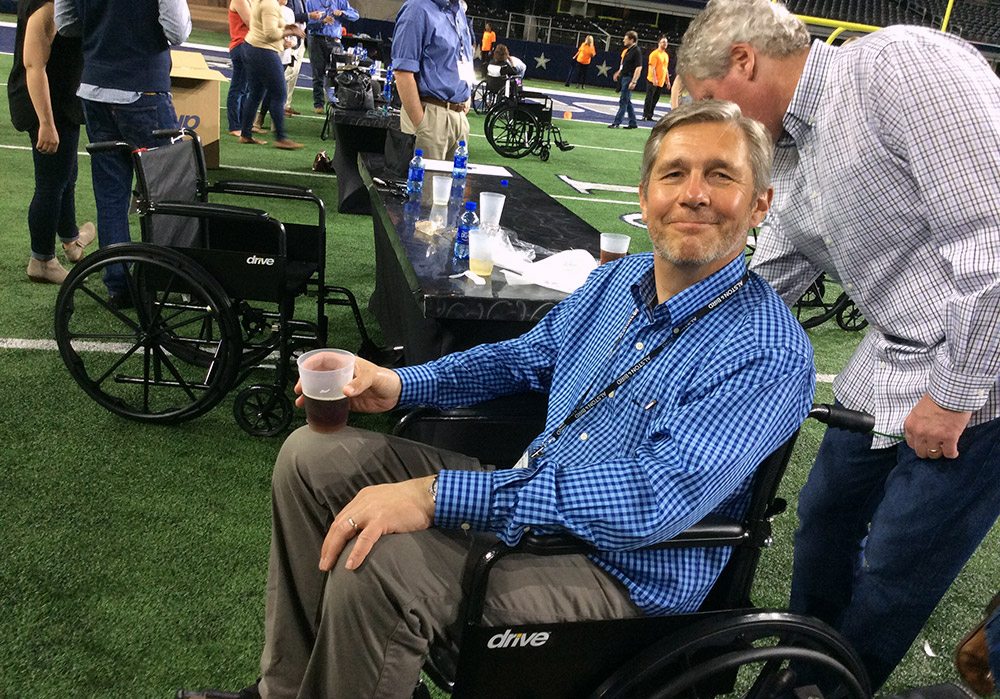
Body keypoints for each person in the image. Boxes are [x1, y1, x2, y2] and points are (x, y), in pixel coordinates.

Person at [180, 100, 816, 699]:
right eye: (674, 173)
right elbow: (520, 358)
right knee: (310, 458)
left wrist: (436, 497)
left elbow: (649, 500)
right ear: (646, 195)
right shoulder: (620, 279)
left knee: (381, 563)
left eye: (720, 176)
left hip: (621, 575)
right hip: (531, 497)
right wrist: (398, 384)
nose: (693, 193)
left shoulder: (767, 349)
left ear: (760, 203)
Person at [677, 0, 1000, 690]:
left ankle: (829, 687)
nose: (712, 118)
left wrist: (954, 395)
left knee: (897, 564)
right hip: (892, 356)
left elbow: (993, 241)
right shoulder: (794, 142)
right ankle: (804, 670)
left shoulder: (901, 66)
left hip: (982, 375)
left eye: (708, 97)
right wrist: (672, 329)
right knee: (822, 522)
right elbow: (776, 267)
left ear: (743, 60)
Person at [54, 0, 191, 306]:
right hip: (144, 87)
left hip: (94, 88)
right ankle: (175, 278)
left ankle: (118, 283)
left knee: (111, 196)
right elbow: (178, 31)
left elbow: (66, 24)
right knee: (169, 192)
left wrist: (103, 30)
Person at [8, 0, 94, 285]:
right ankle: (42, 260)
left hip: (61, 97)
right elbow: (34, 65)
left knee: (66, 175)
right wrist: (46, 123)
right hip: (47, 103)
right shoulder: (47, 4)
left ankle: (70, 240)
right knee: (51, 184)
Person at [391, 0, 474, 161]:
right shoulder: (417, 9)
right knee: (427, 178)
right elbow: (403, 71)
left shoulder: (458, 12)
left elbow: (462, 56)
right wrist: (421, 123)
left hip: (458, 117)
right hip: (430, 114)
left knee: (455, 178)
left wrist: (466, 95)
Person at [240, 0, 305, 149]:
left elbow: (266, 25)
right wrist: (291, 32)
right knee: (279, 94)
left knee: (255, 94)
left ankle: (245, 134)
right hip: (264, 51)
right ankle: (281, 138)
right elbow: (270, 34)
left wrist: (287, 27)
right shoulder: (270, 4)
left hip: (252, 47)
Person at [305, 0, 358, 114]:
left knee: (337, 73)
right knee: (317, 73)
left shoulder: (340, 1)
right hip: (316, 39)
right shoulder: (311, 2)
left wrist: (342, 13)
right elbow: (307, 24)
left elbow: (355, 16)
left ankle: (338, 102)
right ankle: (319, 104)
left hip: (334, 40)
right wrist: (322, 22)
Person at [227, 0, 252, 136]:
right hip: (241, 45)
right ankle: (234, 125)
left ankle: (242, 123)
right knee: (238, 88)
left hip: (248, 45)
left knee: (246, 89)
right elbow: (251, 22)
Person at [609, 30, 642, 129]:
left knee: (623, 101)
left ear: (632, 40)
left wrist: (634, 81)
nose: (624, 40)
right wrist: (619, 72)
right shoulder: (629, 50)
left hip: (629, 78)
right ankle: (633, 122)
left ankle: (617, 122)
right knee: (627, 101)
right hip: (624, 77)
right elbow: (624, 65)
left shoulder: (636, 51)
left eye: (626, 39)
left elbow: (639, 67)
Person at [642, 36, 670, 121]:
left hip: (661, 81)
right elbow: (652, 67)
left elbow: (665, 68)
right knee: (649, 98)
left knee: (655, 99)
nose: (665, 44)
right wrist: (654, 78)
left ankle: (650, 115)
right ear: (659, 43)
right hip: (652, 80)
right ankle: (645, 115)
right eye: (663, 42)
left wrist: (667, 81)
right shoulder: (654, 54)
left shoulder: (666, 55)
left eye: (666, 42)